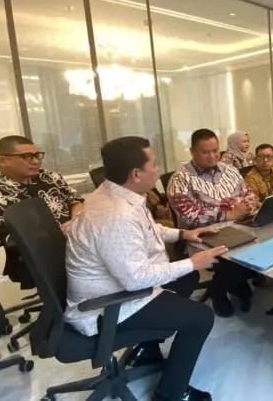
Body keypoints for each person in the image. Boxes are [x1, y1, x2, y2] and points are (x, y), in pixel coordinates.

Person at [65, 136, 227, 401]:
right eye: (154, 164)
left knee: (187, 279)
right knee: (200, 318)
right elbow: (135, 279)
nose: (158, 169)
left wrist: (184, 234)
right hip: (107, 305)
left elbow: (148, 230)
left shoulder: (113, 191)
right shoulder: (116, 215)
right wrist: (193, 261)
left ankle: (146, 350)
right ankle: (171, 394)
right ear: (136, 174)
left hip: (113, 285)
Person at [0, 135, 84, 288]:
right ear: (3, 161)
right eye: (27, 156)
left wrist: (75, 220)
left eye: (37, 155)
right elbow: (11, 239)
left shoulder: (49, 177)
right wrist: (61, 233)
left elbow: (76, 201)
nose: (36, 161)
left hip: (76, 241)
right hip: (38, 256)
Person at [167, 129, 257, 318]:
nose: (212, 156)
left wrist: (249, 202)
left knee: (262, 245)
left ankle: (236, 282)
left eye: (215, 150)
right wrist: (228, 214)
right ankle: (219, 292)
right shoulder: (181, 179)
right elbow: (190, 215)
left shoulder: (230, 170)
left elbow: (247, 192)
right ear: (192, 151)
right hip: (202, 234)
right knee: (236, 256)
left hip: (240, 224)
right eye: (205, 152)